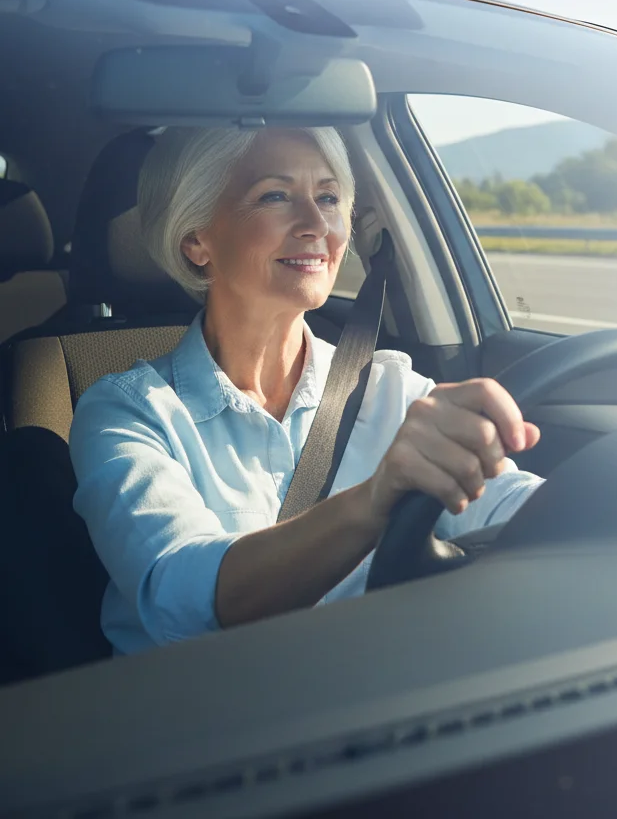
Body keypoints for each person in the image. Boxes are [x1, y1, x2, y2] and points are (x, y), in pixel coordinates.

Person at [69, 126, 545, 654]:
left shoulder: (393, 392)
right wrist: (373, 501)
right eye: (275, 196)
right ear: (196, 239)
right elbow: (179, 599)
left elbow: (513, 506)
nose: (317, 224)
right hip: (201, 722)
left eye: (328, 197)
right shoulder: (127, 413)